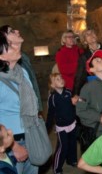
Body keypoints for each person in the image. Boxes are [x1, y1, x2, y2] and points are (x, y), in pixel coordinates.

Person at [0, 32, 39, 174]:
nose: (16, 47)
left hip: (30, 136)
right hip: (11, 143)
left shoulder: (22, 72)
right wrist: (14, 146)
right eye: (9, 46)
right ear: (1, 56)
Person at [0, 25, 43, 114]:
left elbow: (32, 83)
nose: (17, 30)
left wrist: (38, 108)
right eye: (11, 31)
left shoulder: (23, 59)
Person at [46, 73, 78, 174]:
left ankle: (71, 160)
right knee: (62, 147)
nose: (61, 80)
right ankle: (56, 168)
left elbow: (73, 105)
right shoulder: (53, 98)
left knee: (73, 144)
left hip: (72, 123)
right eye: (57, 79)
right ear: (52, 85)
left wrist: (76, 101)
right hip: (62, 127)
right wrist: (47, 128)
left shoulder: (68, 92)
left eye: (61, 78)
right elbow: (50, 114)